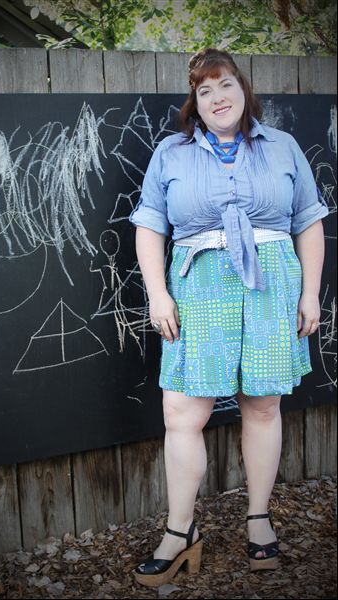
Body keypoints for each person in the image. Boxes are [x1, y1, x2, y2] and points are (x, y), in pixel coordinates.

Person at [128, 48, 329, 587]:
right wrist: (158, 295)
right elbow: (150, 225)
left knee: (262, 406)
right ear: (195, 102)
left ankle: (258, 519)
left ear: (244, 90)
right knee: (181, 413)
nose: (218, 98)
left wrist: (310, 294)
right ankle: (180, 532)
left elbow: (309, 222)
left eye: (226, 85)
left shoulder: (283, 146)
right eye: (205, 90)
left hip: (270, 286)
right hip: (198, 290)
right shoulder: (170, 153)